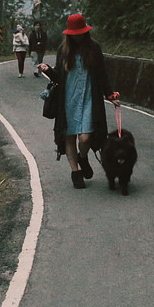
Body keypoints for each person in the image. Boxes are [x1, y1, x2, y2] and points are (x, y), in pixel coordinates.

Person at [38, 14, 120, 189]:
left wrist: (110, 95)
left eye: (80, 32)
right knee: (69, 137)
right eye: (74, 33)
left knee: (85, 138)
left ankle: (82, 157)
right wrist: (48, 70)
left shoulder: (94, 48)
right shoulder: (63, 49)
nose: (77, 36)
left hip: (88, 99)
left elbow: (102, 74)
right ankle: (75, 172)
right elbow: (59, 75)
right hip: (67, 100)